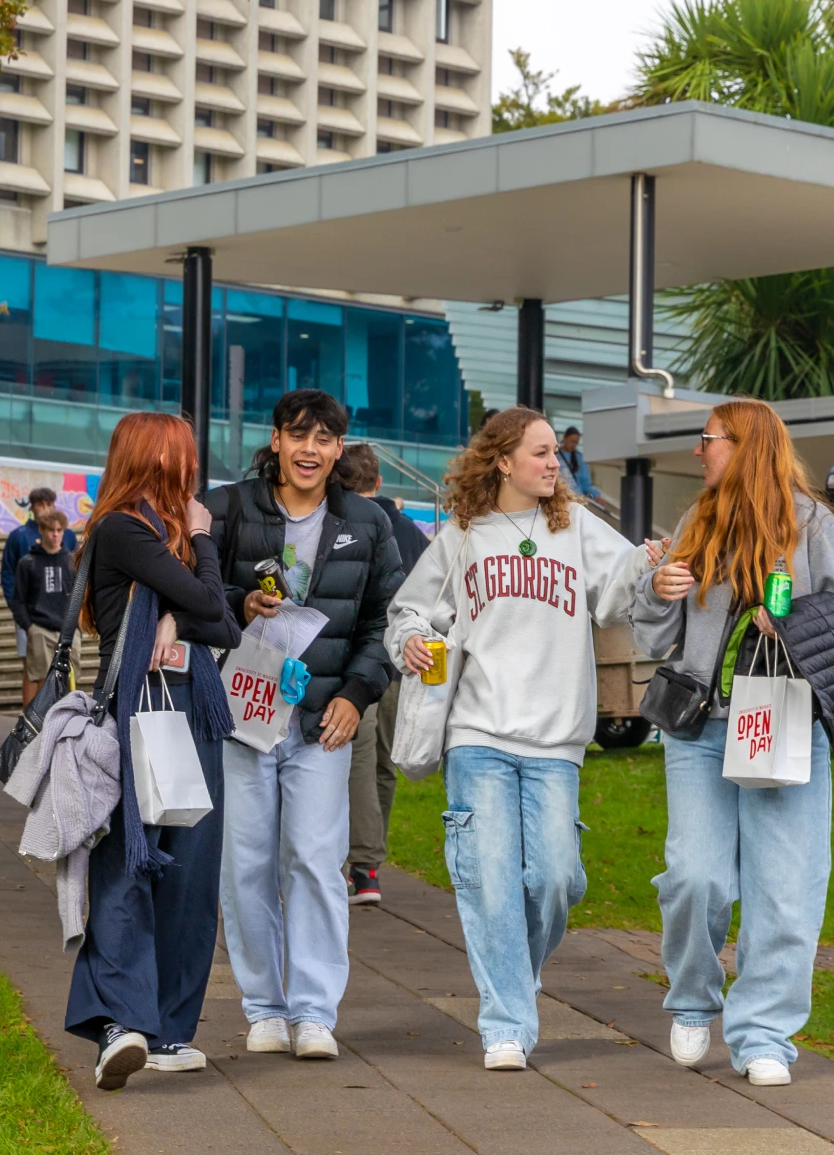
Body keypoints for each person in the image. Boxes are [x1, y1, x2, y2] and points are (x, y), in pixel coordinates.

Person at [385, 407, 653, 1071]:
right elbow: (410, 611)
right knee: (493, 883)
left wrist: (645, 564)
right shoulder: (463, 537)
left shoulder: (576, 527)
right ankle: (506, 1020)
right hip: (479, 733)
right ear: (502, 461)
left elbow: (615, 597)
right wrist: (413, 640)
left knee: (559, 877)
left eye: (553, 454)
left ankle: (516, 971)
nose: (553, 462)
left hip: (557, 739)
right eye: (539, 453)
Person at [631, 399, 834, 1089]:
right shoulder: (696, 520)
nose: (699, 451)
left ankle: (764, 1030)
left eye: (707, 440)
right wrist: (657, 587)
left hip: (785, 721)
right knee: (693, 876)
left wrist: (788, 620)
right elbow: (652, 634)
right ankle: (694, 997)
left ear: (744, 446)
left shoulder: (815, 525)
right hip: (702, 725)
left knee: (786, 887)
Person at [205, 391, 404, 1061]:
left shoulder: (368, 523)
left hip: (325, 722)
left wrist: (357, 693)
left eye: (324, 437)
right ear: (277, 440)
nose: (310, 448)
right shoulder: (231, 508)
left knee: (317, 863)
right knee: (247, 864)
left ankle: (315, 1011)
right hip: (244, 715)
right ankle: (263, 1006)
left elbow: (387, 624)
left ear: (339, 449)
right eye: (298, 435)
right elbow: (194, 592)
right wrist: (238, 603)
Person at [66, 411, 239, 1092]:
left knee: (191, 876)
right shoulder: (122, 530)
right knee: (127, 865)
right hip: (135, 710)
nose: (192, 468)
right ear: (157, 459)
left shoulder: (162, 541)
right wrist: (200, 544)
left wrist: (177, 610)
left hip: (191, 710)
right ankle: (119, 1024)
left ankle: (167, 1029)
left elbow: (219, 620)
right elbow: (210, 601)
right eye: (183, 456)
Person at [339, 442, 428, 905]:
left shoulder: (349, 523)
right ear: (377, 482)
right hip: (407, 666)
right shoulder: (412, 531)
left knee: (356, 759)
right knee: (383, 765)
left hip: (365, 657)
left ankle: (360, 863)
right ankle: (370, 864)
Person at [1, 487, 78, 665]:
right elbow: (8, 572)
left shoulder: (67, 536)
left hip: (61, 613)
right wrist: (19, 611)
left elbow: (76, 575)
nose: (45, 508)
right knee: (32, 665)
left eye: (49, 504)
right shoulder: (18, 536)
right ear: (32, 507)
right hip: (30, 610)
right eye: (40, 504)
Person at [12, 509, 76, 705]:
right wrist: (29, 627)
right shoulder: (28, 562)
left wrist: (78, 624)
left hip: (68, 628)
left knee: (70, 680)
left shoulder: (72, 561)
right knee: (43, 681)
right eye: (50, 530)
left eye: (59, 530)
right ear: (41, 530)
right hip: (39, 626)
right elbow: (18, 600)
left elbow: (80, 596)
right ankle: (38, 728)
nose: (55, 534)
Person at [557, 426, 602, 500]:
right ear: (564, 437)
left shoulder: (580, 458)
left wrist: (596, 495)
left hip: (576, 498)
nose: (573, 444)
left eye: (576, 442)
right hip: (560, 498)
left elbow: (586, 483)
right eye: (571, 441)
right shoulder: (555, 456)